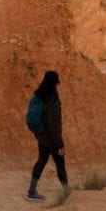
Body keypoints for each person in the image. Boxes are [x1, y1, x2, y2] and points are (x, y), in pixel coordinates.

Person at [26, 69, 69, 201]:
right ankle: (67, 192)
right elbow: (54, 127)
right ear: (54, 83)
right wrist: (60, 145)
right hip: (51, 141)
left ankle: (31, 192)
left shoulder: (39, 95)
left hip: (41, 137)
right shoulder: (53, 102)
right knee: (60, 164)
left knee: (41, 161)